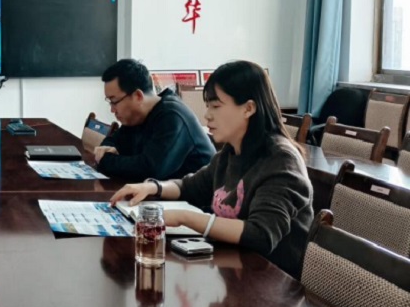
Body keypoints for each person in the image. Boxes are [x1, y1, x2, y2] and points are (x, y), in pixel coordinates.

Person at [109, 60, 312, 278]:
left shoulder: (281, 160)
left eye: (216, 106)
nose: (207, 115)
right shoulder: (231, 152)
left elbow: (261, 235)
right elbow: (190, 186)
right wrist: (152, 187)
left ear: (248, 108)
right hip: (234, 271)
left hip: (272, 282)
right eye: (208, 106)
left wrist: (184, 217)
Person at [95, 59, 215, 181]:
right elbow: (111, 141)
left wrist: (106, 161)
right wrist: (106, 153)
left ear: (138, 96)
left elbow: (150, 170)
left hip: (196, 192)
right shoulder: (136, 117)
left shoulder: (172, 116)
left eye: (114, 101)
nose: (112, 110)